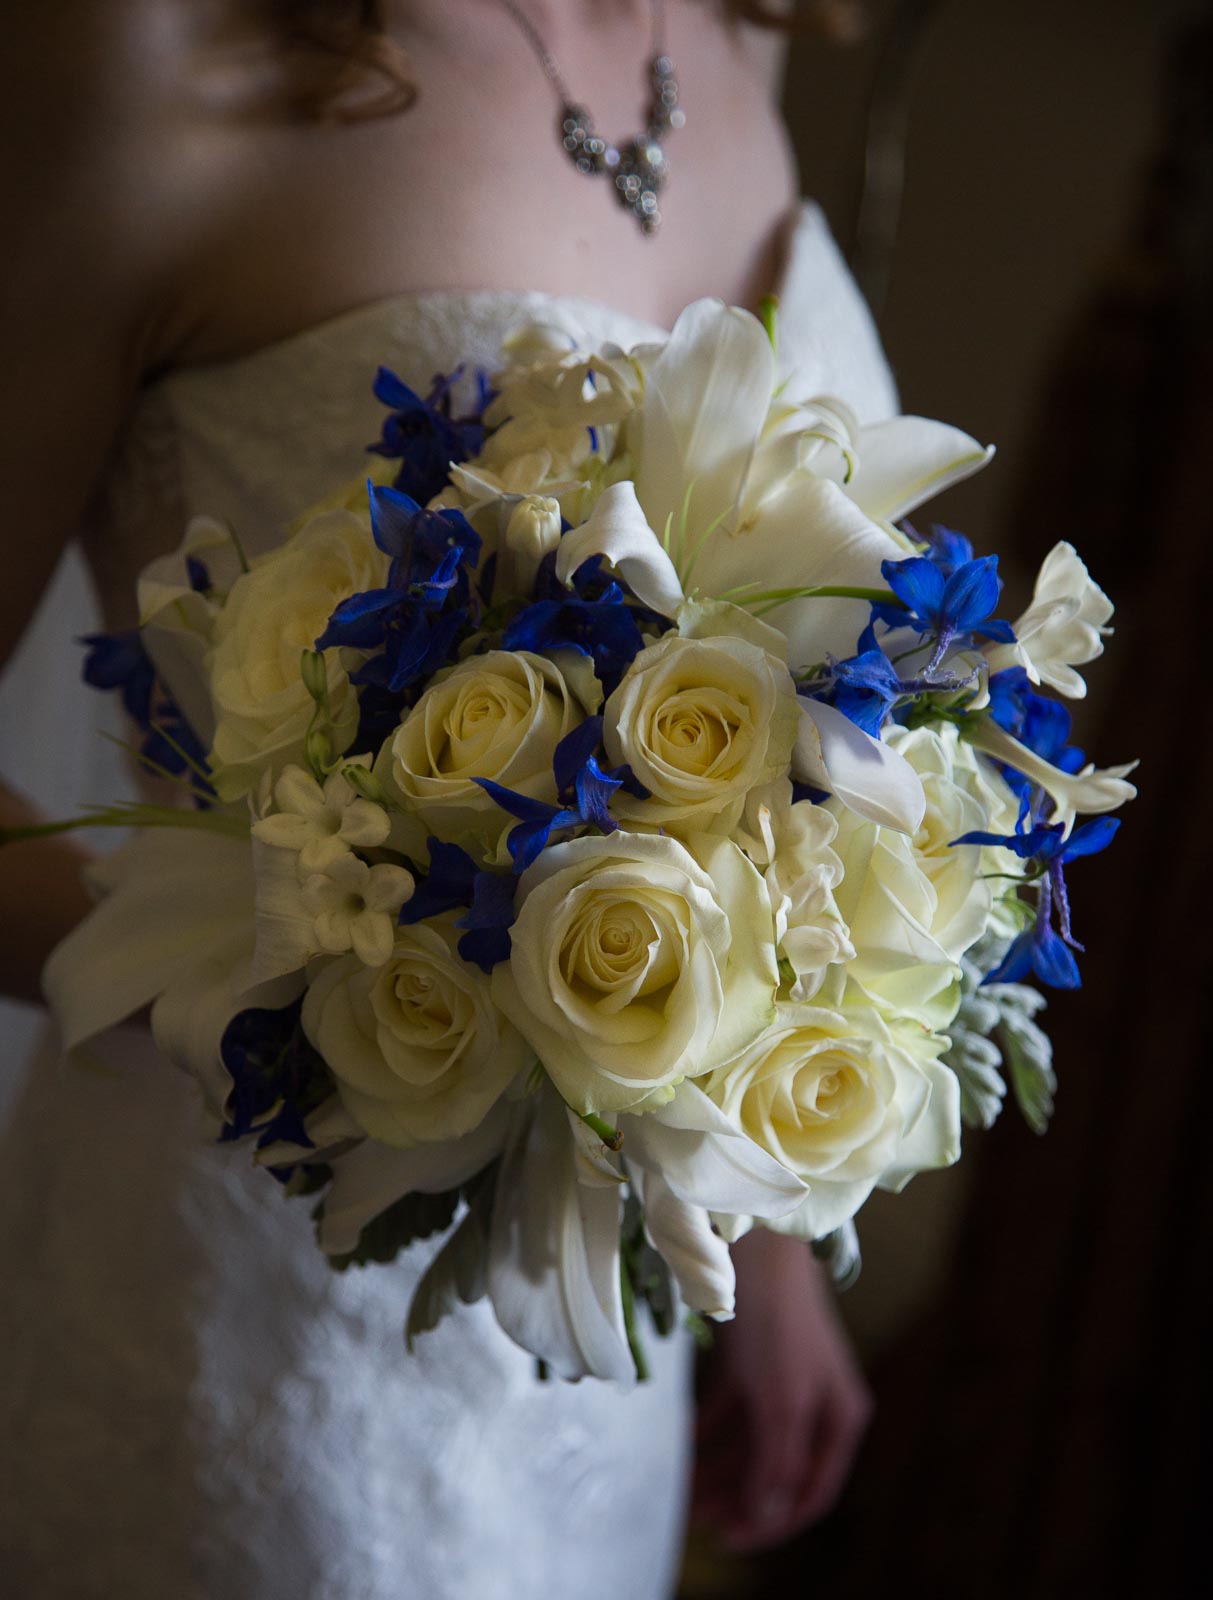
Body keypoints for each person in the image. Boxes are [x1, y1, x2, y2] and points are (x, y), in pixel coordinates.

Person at [0, 3, 879, 1593]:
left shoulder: (734, 43)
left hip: (606, 1381)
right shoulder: (154, 59)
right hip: (249, 1364)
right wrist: (323, 978)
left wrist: (767, 1234)